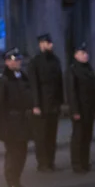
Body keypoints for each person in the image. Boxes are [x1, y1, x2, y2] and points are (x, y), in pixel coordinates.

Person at [0, 48, 35, 187]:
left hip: (23, 122)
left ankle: (17, 182)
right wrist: (1, 128)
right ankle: (12, 184)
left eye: (19, 60)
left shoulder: (22, 77)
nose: (17, 63)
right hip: (10, 124)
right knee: (13, 155)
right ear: (7, 62)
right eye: (14, 60)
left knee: (21, 154)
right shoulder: (3, 80)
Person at [28, 33, 64, 172]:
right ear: (41, 45)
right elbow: (34, 84)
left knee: (51, 135)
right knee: (41, 136)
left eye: (50, 43)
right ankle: (42, 163)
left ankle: (50, 161)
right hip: (42, 103)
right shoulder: (35, 62)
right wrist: (36, 104)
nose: (50, 45)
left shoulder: (55, 60)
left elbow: (59, 82)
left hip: (53, 103)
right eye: (48, 43)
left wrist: (61, 101)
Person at [65, 43, 95, 174]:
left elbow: (93, 89)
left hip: (89, 109)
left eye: (86, 53)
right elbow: (71, 92)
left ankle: (85, 162)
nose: (85, 55)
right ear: (76, 55)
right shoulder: (73, 70)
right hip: (79, 109)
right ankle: (77, 163)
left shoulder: (88, 69)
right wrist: (75, 111)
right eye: (82, 53)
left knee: (87, 136)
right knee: (78, 137)